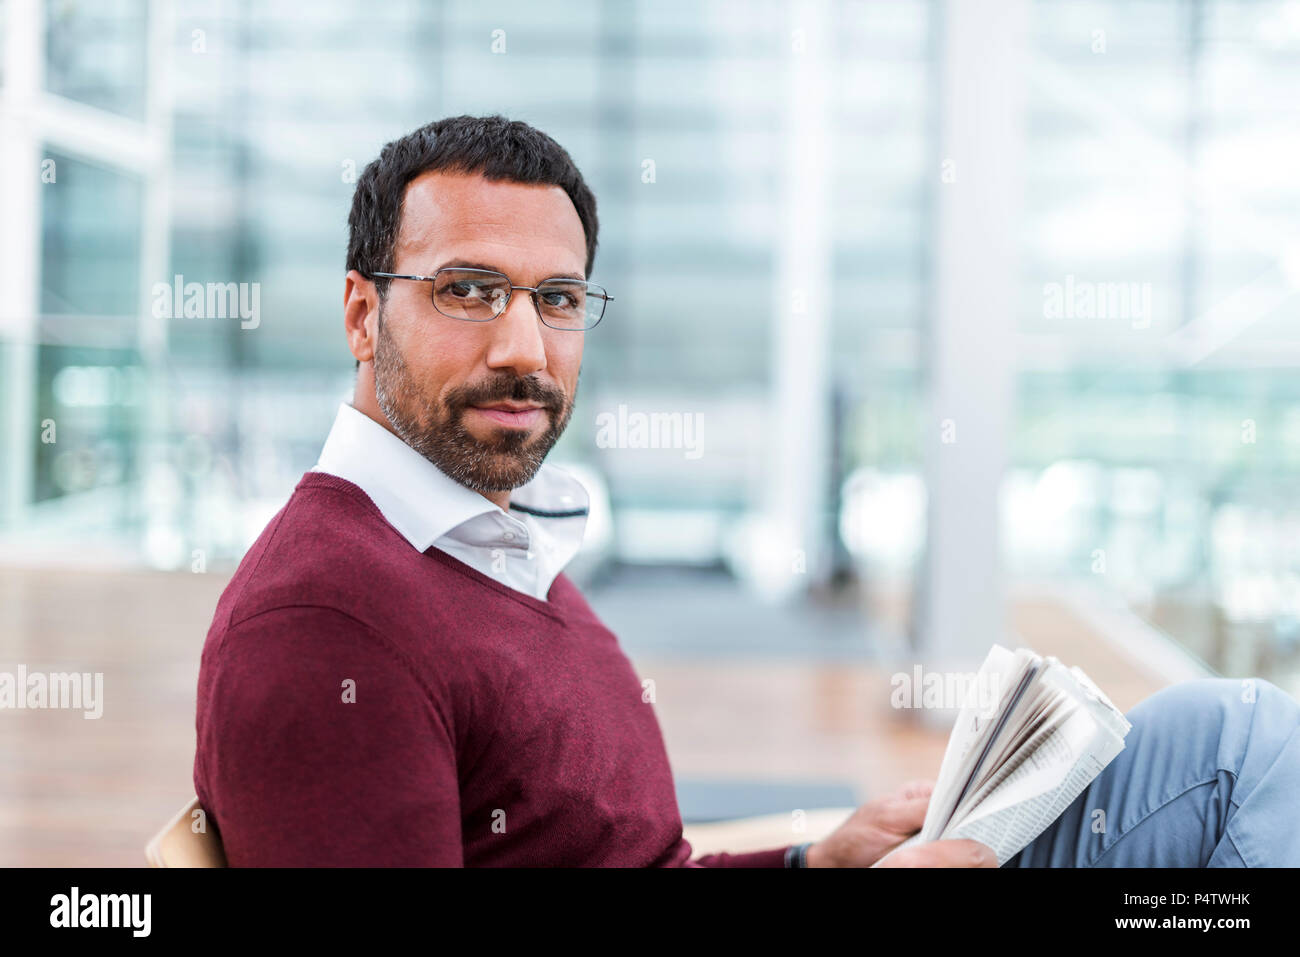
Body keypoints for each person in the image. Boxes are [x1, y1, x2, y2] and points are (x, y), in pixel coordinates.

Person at [193, 114, 1300, 867]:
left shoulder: (475, 541)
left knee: (1227, 735)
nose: (524, 346)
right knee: (1245, 758)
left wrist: (816, 861)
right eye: (468, 291)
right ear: (358, 313)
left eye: (560, 299)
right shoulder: (326, 627)